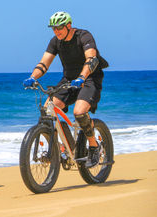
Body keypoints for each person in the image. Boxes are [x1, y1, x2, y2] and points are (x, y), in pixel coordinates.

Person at [23, 11, 109, 168]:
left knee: (79, 112)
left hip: (89, 78)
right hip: (68, 81)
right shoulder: (55, 41)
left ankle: (94, 146)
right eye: (54, 29)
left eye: (59, 28)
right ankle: (65, 147)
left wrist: (82, 78)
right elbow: (44, 63)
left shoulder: (84, 36)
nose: (56, 31)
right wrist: (33, 77)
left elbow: (91, 59)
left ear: (68, 25)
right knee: (47, 110)